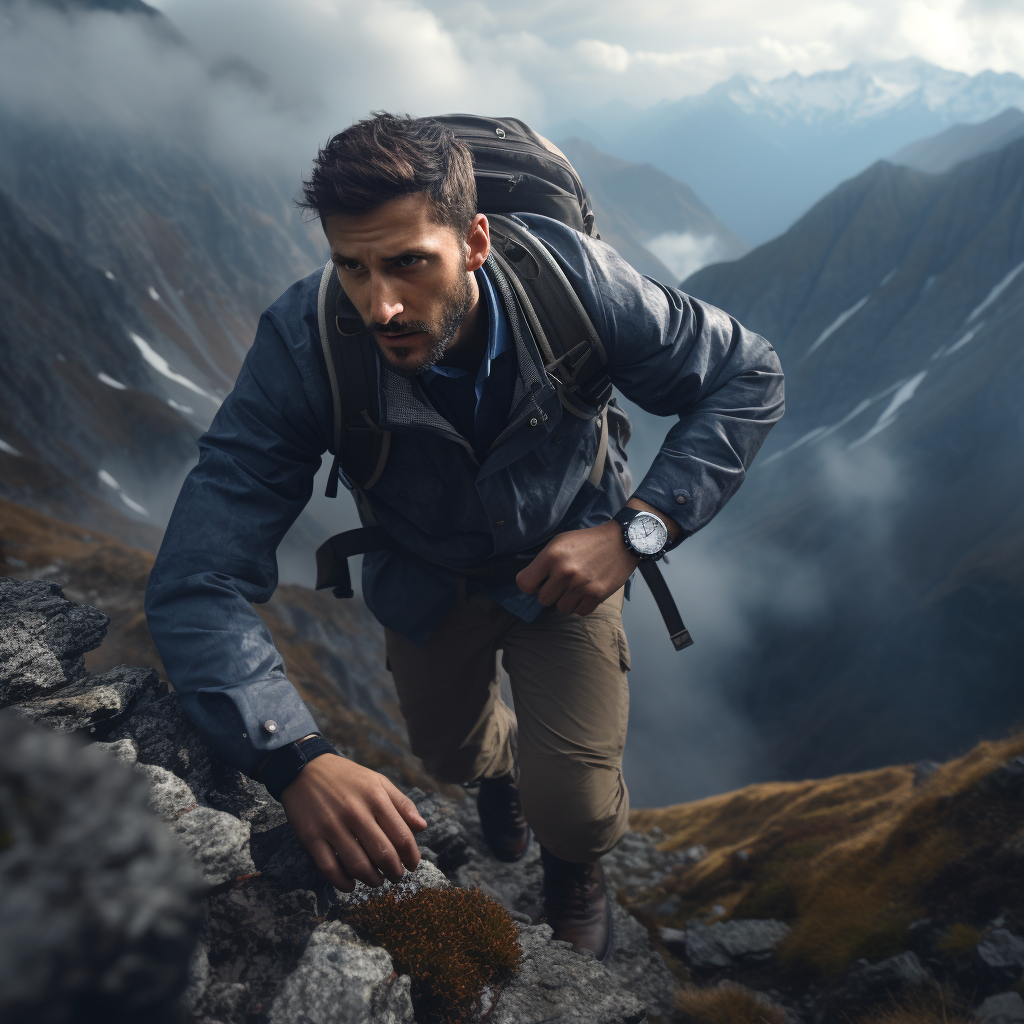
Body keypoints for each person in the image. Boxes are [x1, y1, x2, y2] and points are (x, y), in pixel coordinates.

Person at [145, 113, 784, 960]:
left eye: (409, 261)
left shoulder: (580, 286)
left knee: (580, 809)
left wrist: (636, 532)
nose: (381, 304)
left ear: (476, 240)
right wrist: (293, 757)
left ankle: (574, 871)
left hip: (570, 558)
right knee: (446, 754)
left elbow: (747, 375)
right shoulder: (304, 344)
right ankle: (500, 772)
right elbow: (197, 576)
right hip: (425, 570)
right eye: (352, 267)